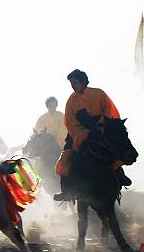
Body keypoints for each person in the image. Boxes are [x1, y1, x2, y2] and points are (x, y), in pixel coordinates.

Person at [54, 69, 131, 201]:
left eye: (74, 82)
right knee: (65, 158)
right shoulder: (71, 100)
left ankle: (119, 174)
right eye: (71, 83)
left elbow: (109, 110)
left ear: (83, 81)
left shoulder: (98, 94)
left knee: (119, 146)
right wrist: (84, 132)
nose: (72, 86)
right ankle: (66, 190)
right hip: (78, 133)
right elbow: (70, 121)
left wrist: (99, 125)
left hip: (102, 130)